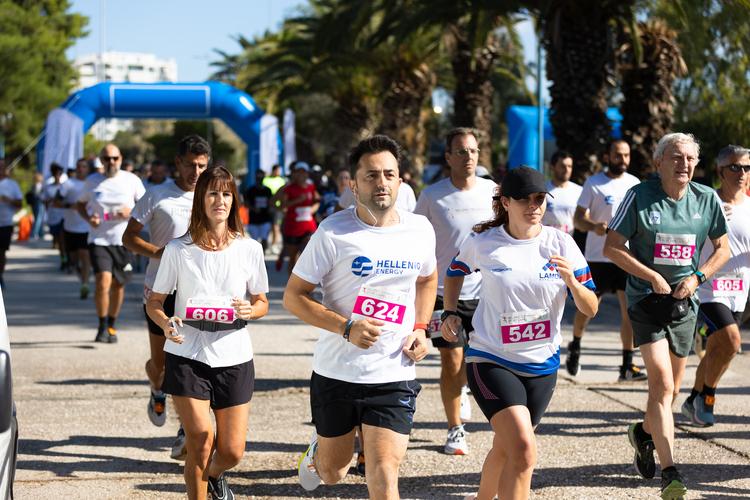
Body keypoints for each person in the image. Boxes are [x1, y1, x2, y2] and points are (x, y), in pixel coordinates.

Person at [284, 135, 437, 499]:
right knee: (333, 472)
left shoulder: (420, 229)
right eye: (371, 175)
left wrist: (420, 328)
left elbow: (428, 278)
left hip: (393, 372)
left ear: (400, 180)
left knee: (383, 469)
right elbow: (294, 296)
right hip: (338, 372)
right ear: (353, 184)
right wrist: (346, 327)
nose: (381, 182)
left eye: (389, 174)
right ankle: (318, 453)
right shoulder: (333, 231)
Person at [442, 166, 598, 500]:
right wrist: (450, 311)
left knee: (505, 447)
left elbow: (591, 307)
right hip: (491, 358)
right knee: (524, 449)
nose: (533, 206)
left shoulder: (561, 244)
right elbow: (454, 272)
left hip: (542, 366)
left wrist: (572, 283)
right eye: (524, 199)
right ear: (505, 202)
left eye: (540, 198)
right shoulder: (484, 242)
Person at [605, 133, 729, 499]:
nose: (684, 164)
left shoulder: (706, 199)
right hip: (646, 300)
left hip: (683, 304)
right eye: (675, 157)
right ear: (658, 162)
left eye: (690, 158)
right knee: (660, 385)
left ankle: (643, 433)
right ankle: (671, 472)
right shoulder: (639, 196)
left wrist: (697, 278)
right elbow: (612, 246)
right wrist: (651, 276)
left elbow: (722, 248)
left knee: (672, 391)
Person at [146, 165, 268, 500]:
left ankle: (214, 476)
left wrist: (251, 310)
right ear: (201, 199)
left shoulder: (250, 248)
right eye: (213, 193)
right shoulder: (178, 249)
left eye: (227, 194)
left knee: (232, 452)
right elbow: (155, 302)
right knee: (201, 439)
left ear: (234, 200)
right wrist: (165, 323)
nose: (220, 201)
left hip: (234, 353)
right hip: (187, 353)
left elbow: (261, 302)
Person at [123, 135, 211, 462]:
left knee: (191, 364)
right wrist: (162, 254)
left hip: (199, 294)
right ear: (178, 163)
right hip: (160, 292)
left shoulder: (213, 196)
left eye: (202, 166)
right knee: (161, 366)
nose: (195, 172)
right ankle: (156, 389)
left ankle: (186, 430)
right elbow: (129, 237)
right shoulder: (157, 195)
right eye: (190, 165)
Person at [413, 127, 497, 456]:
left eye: (473, 151)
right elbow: (415, 238)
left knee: (476, 359)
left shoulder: (493, 192)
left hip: (485, 292)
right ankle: (455, 429)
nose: (468, 157)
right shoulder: (432, 196)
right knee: (451, 359)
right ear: (448, 157)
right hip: (443, 293)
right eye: (461, 151)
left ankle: (462, 389)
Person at [681, 145, 749, 427]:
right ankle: (707, 398)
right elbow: (685, 233)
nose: (742, 173)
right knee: (732, 341)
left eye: (747, 167)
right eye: (735, 167)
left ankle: (691, 400)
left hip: (740, 291)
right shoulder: (706, 201)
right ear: (720, 171)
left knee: (720, 349)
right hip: (709, 288)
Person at [568, 140, 646, 381]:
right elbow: (578, 219)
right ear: (607, 157)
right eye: (618, 155)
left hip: (625, 255)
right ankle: (575, 344)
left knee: (628, 312)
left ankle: (627, 365)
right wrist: (594, 226)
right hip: (598, 257)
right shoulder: (594, 183)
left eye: (626, 155)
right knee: (588, 309)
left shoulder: (634, 183)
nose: (623, 160)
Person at [76, 144, 146, 343]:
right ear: (101, 160)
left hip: (124, 241)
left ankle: (112, 325)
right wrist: (89, 219)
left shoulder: (132, 180)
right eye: (107, 159)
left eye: (115, 158)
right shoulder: (92, 181)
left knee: (118, 285)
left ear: (120, 159)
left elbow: (146, 206)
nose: (111, 162)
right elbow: (80, 204)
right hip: (99, 239)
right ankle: (101, 325)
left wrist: (131, 212)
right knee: (102, 282)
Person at [272, 162, 319, 274]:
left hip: (309, 227)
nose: (301, 175)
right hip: (292, 227)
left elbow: (317, 201)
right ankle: (291, 280)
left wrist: (313, 209)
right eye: (299, 172)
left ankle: (305, 281)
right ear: (294, 174)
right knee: (293, 258)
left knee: (307, 255)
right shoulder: (288, 188)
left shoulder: (311, 187)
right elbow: (279, 205)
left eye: (304, 172)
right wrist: (296, 201)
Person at [60, 159, 92, 299]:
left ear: (87, 169)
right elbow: (55, 202)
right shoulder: (67, 184)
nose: (80, 169)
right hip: (70, 227)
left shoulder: (92, 183)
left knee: (84, 255)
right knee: (73, 260)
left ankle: (85, 284)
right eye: (78, 167)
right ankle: (81, 276)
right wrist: (69, 206)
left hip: (86, 227)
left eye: (83, 167)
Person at [542, 150, 582, 235]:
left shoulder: (579, 191)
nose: (567, 170)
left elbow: (584, 219)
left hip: (569, 240)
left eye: (569, 166)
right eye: (562, 166)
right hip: (544, 240)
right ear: (552, 167)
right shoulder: (542, 190)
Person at [0, 159, 22, 289]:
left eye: (2, 167)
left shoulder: (12, 185)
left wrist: (9, 200)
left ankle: (0, 275)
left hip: (5, 223)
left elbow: (20, 203)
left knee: (1, 252)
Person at [43, 163, 67, 270]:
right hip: (53, 217)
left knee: (63, 239)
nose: (58, 175)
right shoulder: (48, 187)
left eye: (59, 173)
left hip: (65, 216)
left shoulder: (65, 186)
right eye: (55, 173)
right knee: (58, 241)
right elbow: (44, 201)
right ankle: (63, 258)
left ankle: (68, 260)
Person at [243, 169, 273, 252]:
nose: (259, 179)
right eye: (258, 177)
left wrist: (271, 208)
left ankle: (263, 256)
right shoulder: (250, 190)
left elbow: (271, 202)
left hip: (265, 219)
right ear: (255, 178)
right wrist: (253, 208)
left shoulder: (268, 190)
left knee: (264, 239)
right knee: (254, 242)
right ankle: (255, 257)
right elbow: (246, 204)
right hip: (253, 220)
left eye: (261, 177)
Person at [262, 164, 286, 253]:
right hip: (267, 206)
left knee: (276, 226)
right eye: (278, 170)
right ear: (274, 170)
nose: (279, 172)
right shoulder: (266, 180)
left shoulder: (281, 180)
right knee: (269, 226)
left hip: (278, 207)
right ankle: (268, 244)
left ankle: (274, 244)